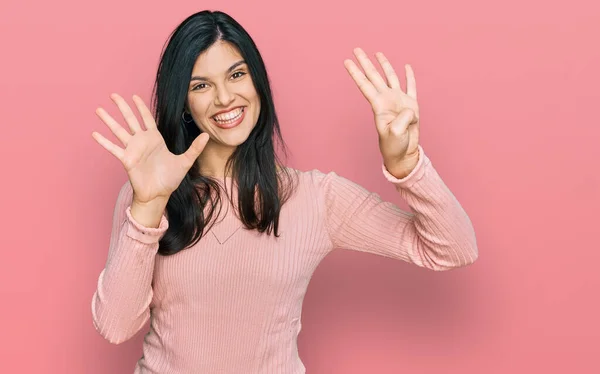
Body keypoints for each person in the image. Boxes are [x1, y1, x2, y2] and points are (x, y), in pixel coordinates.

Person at [90, 9, 478, 374]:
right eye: (201, 85)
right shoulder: (147, 193)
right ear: (184, 104)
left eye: (237, 75)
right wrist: (150, 204)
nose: (225, 98)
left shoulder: (315, 198)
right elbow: (115, 327)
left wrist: (406, 164)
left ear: (258, 82)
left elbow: (453, 247)